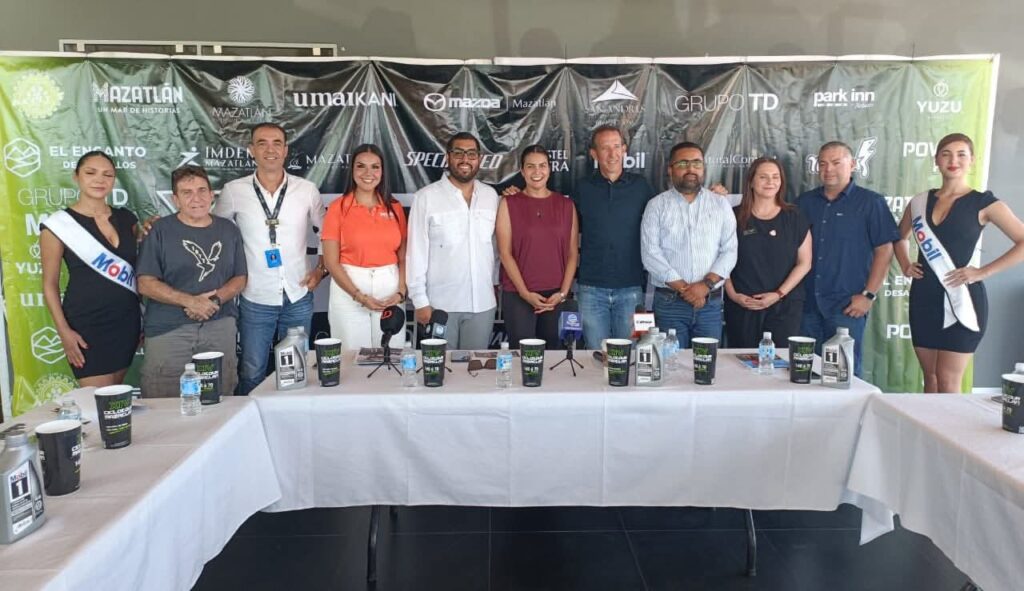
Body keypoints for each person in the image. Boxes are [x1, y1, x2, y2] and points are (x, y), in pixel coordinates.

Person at [895, 133, 1024, 393]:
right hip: (925, 297)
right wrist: (906, 264)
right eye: (946, 154)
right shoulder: (919, 201)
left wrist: (983, 272)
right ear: (936, 160)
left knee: (948, 380)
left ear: (972, 160)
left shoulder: (984, 203)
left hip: (963, 299)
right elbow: (899, 237)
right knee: (930, 378)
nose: (953, 160)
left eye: (961, 154)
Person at [216, 122, 326, 394]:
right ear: (251, 150)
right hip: (256, 296)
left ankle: (293, 417)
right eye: (262, 143)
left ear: (286, 150)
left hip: (298, 293)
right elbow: (212, 231)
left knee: (296, 370)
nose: (270, 149)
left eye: (277, 143)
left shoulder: (306, 189)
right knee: (252, 370)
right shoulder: (234, 191)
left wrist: (320, 270)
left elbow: (328, 234)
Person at [137, 165, 247, 397]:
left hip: (219, 326)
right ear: (175, 199)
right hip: (169, 329)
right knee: (164, 401)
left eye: (201, 190)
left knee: (221, 398)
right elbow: (145, 283)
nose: (196, 198)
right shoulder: (159, 230)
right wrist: (190, 301)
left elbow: (240, 278)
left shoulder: (229, 230)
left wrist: (213, 301)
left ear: (212, 195)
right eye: (187, 192)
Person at [797, 141, 898, 377]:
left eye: (836, 163)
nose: (828, 169)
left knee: (843, 377)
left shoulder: (871, 202)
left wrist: (868, 295)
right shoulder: (804, 203)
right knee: (805, 377)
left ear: (852, 164)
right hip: (807, 306)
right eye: (823, 164)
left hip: (847, 307)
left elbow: (885, 250)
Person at [39, 151, 140, 386]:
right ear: (76, 177)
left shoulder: (127, 219)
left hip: (126, 320)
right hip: (86, 324)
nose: (99, 180)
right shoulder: (57, 226)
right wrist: (64, 332)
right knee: (98, 400)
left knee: (116, 398)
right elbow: (49, 285)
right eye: (91, 173)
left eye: (107, 175)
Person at [406, 131, 499, 350]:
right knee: (438, 368)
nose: (465, 159)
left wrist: (494, 284)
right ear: (447, 157)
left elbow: (495, 248)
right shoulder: (425, 197)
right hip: (439, 306)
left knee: (475, 368)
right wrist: (420, 301)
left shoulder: (491, 196)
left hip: (482, 304)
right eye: (458, 153)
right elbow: (416, 252)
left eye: (471, 154)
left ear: (479, 159)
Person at [641, 141, 737, 346]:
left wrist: (705, 286)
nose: (691, 169)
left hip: (710, 304)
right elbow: (650, 254)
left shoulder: (720, 204)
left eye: (696, 163)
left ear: (703, 168)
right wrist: (688, 290)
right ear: (670, 169)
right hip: (670, 304)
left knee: (707, 362)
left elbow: (730, 251)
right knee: (670, 361)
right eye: (683, 163)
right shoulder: (656, 206)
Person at [574, 125, 656, 350]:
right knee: (595, 355)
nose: (612, 154)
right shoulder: (582, 187)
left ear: (624, 149)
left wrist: (713, 193)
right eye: (605, 148)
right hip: (591, 288)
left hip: (631, 288)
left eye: (616, 146)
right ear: (594, 153)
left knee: (630, 356)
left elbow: (669, 212)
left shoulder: (641, 186)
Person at [321, 144, 408, 350]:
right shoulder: (337, 207)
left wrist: (400, 292)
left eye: (375, 167)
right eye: (361, 166)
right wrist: (358, 296)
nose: (368, 173)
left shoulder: (395, 207)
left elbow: (403, 256)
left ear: (382, 171)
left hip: (390, 287)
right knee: (352, 356)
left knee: (390, 353)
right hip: (349, 288)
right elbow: (331, 262)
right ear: (352, 170)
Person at [496, 144, 579, 349]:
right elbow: (505, 253)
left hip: (555, 296)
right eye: (530, 166)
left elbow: (572, 253)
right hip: (518, 294)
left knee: (553, 356)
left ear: (549, 169)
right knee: (522, 355)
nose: (537, 172)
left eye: (542, 165)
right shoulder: (509, 203)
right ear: (522, 171)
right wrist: (525, 293)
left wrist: (562, 294)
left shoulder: (566, 205)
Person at [725, 158, 812, 348]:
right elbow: (720, 261)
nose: (770, 182)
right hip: (743, 306)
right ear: (751, 181)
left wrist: (778, 294)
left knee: (779, 363)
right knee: (740, 362)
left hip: (784, 307)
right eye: (763, 177)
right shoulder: (732, 216)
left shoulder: (794, 217)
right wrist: (733, 295)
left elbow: (805, 262)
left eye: (775, 177)